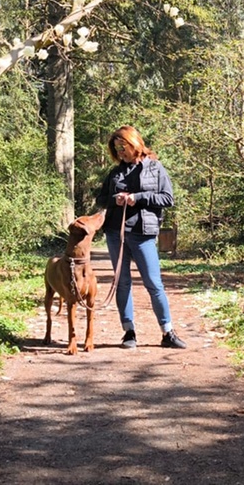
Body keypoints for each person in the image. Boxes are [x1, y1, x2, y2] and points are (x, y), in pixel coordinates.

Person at [96, 125, 187, 350]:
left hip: (143, 234)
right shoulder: (115, 172)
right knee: (122, 282)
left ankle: (168, 332)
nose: (120, 153)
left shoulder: (156, 168)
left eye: (123, 147)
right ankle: (129, 332)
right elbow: (100, 199)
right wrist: (114, 200)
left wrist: (138, 198)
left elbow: (167, 199)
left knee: (153, 284)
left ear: (134, 143)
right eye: (116, 149)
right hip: (116, 234)